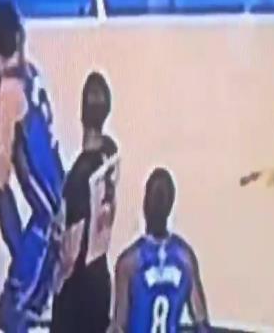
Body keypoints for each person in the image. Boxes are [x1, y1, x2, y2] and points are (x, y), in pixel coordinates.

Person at [0, 0, 65, 332]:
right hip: (55, 203)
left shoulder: (9, 92)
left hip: (47, 222)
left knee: (9, 318)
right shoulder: (30, 72)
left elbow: (0, 176)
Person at [51, 72, 120, 333]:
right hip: (100, 277)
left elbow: (72, 246)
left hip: (78, 289)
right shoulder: (110, 155)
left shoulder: (79, 176)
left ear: (81, 113)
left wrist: (58, 284)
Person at [109, 167, 209, 333]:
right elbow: (202, 323)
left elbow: (119, 326)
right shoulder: (185, 257)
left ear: (145, 206)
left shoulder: (129, 262)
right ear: (171, 207)